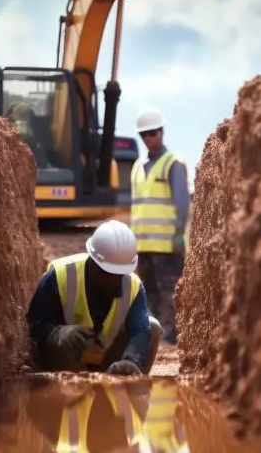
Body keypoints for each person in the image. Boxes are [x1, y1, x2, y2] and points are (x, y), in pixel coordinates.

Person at [26, 220, 162, 375]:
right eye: (105, 273)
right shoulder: (59, 275)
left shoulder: (133, 286)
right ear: (92, 261)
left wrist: (131, 361)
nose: (111, 280)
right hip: (64, 360)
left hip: (107, 358)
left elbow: (141, 330)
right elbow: (35, 323)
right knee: (63, 342)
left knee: (153, 327)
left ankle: (133, 389)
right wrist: (58, 333)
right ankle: (69, 390)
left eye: (118, 275)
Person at [129, 106, 190, 344]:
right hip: (142, 244)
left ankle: (172, 336)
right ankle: (153, 335)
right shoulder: (136, 167)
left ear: (161, 132)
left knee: (170, 293)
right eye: (144, 134)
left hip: (166, 244)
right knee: (148, 292)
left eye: (152, 133)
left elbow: (182, 203)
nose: (148, 138)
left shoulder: (173, 164)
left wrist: (178, 233)